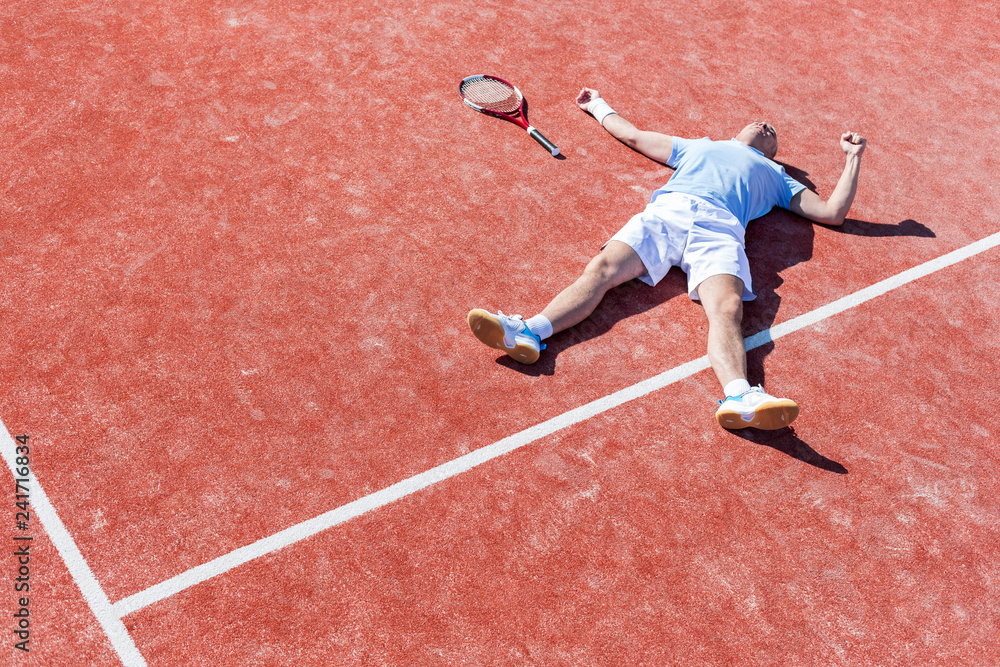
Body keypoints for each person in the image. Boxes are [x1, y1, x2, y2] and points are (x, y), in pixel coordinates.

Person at [468, 87, 867, 430]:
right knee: (602, 270)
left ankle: (740, 398)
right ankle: (529, 332)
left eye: (772, 133)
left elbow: (832, 212)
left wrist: (852, 158)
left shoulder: (778, 177)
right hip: (669, 212)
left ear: (773, 152)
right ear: (735, 132)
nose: (765, 125)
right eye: (759, 122)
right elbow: (637, 137)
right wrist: (598, 106)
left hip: (721, 229)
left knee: (727, 309)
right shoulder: (702, 146)